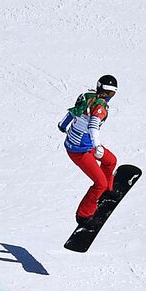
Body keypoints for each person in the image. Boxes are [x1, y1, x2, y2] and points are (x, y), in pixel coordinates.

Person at [58, 75, 119, 225]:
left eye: (112, 94)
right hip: (80, 151)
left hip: (85, 144)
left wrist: (62, 125)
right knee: (100, 183)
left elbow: (73, 112)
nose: (109, 96)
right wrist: (97, 145)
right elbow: (93, 125)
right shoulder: (100, 107)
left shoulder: (87, 97)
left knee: (111, 161)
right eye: (109, 93)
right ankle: (83, 215)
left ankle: (106, 192)